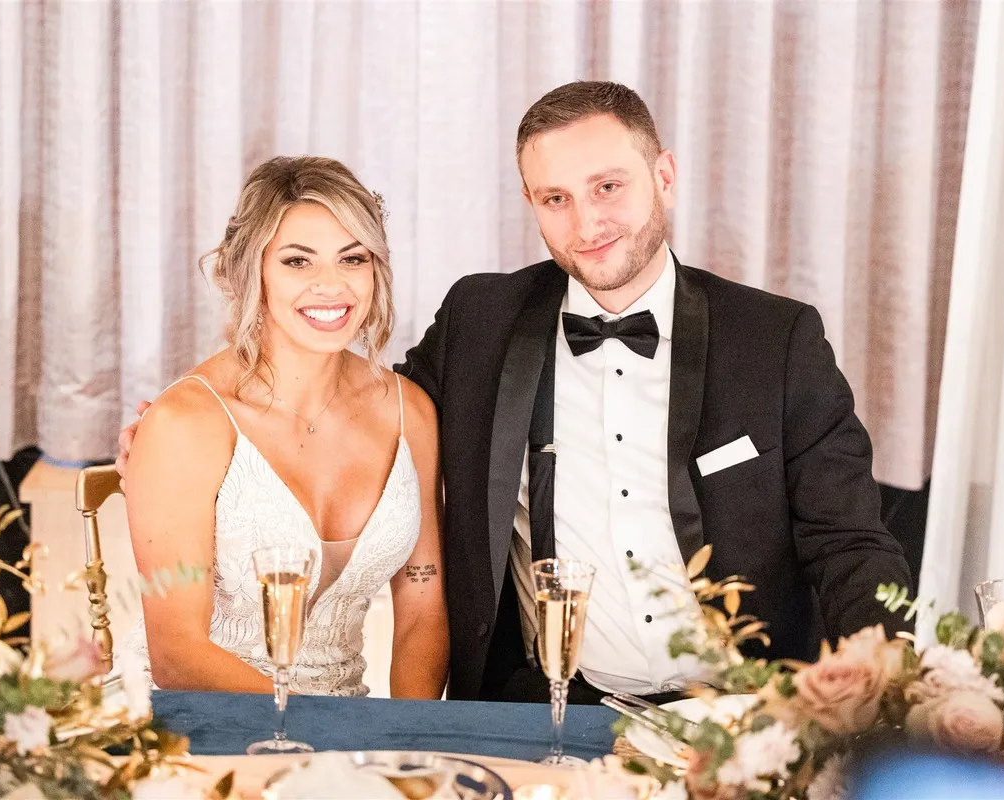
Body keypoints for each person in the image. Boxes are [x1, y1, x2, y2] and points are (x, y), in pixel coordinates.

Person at [118, 81, 912, 706]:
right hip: (538, 710)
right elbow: (331, 400)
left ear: (663, 175)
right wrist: (171, 430)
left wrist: (885, 669)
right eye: (555, 198)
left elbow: (849, 543)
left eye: (608, 186)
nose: (588, 221)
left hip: (739, 707)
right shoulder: (481, 322)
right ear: (530, 203)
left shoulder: (776, 340)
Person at [117, 155, 447, 698]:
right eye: (297, 261)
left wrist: (401, 743)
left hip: (346, 727)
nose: (330, 286)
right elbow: (176, 653)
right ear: (254, 271)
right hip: (187, 715)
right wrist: (323, 740)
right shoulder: (186, 423)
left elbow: (423, 608)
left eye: (352, 259)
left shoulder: (409, 411)